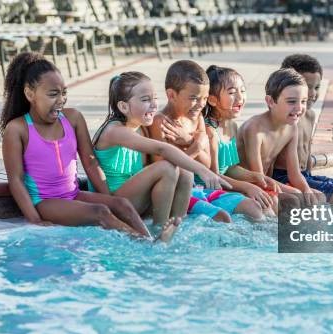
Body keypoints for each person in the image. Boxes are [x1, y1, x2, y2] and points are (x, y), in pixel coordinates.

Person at [0, 52, 172, 242]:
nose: (61, 100)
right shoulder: (17, 129)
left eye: (64, 93)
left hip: (73, 194)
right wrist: (34, 219)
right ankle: (146, 244)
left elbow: (90, 163)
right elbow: (15, 179)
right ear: (30, 93)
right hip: (45, 201)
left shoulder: (73, 118)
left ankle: (152, 239)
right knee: (100, 212)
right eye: (53, 94)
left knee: (121, 204)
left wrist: (111, 199)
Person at [90, 71, 230, 231]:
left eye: (155, 98)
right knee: (166, 167)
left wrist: (196, 139)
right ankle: (159, 230)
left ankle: (176, 226)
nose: (154, 104)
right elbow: (161, 149)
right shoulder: (114, 131)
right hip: (116, 205)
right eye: (145, 100)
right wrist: (202, 170)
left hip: (135, 201)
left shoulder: (141, 128)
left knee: (185, 171)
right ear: (123, 106)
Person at [148, 60, 263, 222]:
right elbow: (167, 170)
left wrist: (188, 140)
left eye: (204, 98)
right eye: (194, 98)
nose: (201, 105)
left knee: (253, 208)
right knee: (222, 217)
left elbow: (207, 163)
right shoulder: (161, 121)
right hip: (178, 192)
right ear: (172, 95)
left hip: (202, 189)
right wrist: (196, 145)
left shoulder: (197, 119)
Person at [275, 54, 333, 205]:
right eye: (306, 86)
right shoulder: (285, 119)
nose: (312, 93)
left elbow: (307, 150)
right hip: (283, 177)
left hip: (305, 175)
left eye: (316, 87)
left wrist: (311, 177)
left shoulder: (310, 116)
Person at [202, 65, 280, 216]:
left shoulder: (232, 126)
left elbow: (231, 168)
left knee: (272, 201)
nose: (240, 98)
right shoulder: (209, 132)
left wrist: (256, 177)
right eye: (232, 92)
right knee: (256, 209)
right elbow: (214, 177)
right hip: (206, 190)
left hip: (225, 185)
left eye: (242, 91)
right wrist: (247, 187)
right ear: (212, 100)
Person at [237, 68, 320, 206]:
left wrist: (306, 190)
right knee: (294, 199)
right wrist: (297, 192)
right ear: (270, 101)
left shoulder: (292, 128)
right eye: (292, 101)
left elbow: (294, 174)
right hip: (248, 185)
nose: (299, 108)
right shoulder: (254, 129)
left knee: (318, 197)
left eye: (303, 101)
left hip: (266, 182)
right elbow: (258, 177)